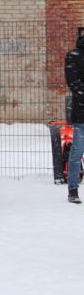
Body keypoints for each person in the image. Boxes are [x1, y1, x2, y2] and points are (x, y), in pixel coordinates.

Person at [66, 32, 84, 204]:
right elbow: (73, 82)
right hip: (82, 113)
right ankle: (73, 188)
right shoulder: (73, 55)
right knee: (77, 152)